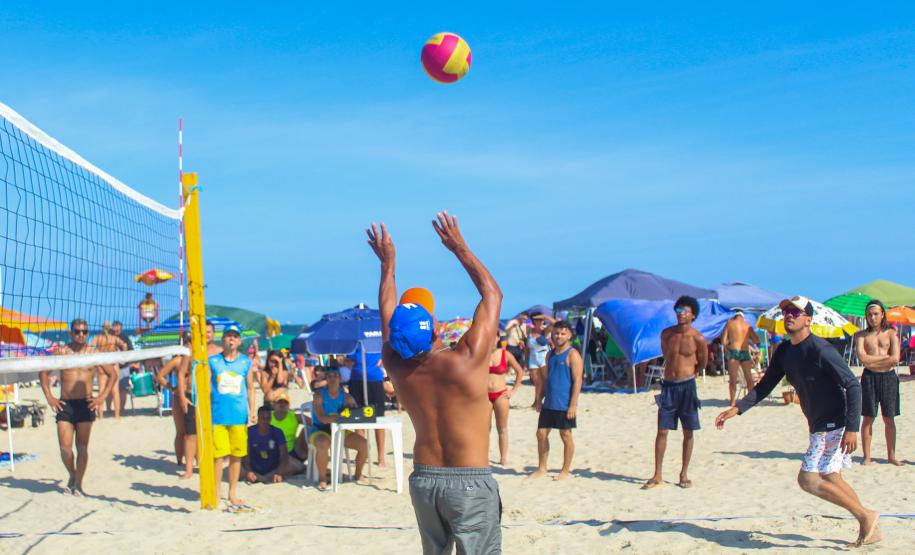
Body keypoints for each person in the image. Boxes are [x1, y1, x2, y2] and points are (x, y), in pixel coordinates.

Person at [367, 212, 503, 554]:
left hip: (425, 479)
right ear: (436, 329)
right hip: (469, 480)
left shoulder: (396, 365)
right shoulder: (465, 361)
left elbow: (387, 313)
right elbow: (492, 295)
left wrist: (387, 265)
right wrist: (459, 248)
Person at [716, 296, 881, 547]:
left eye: (795, 312)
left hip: (833, 421)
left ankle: (866, 516)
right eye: (786, 312)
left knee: (808, 480)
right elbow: (765, 386)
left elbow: (852, 384)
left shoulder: (820, 349)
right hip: (817, 421)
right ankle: (869, 524)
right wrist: (737, 409)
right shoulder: (784, 351)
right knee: (831, 476)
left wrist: (852, 428)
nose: (789, 316)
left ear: (808, 319)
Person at [39, 319, 118, 495]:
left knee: (82, 447)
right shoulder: (62, 351)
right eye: (77, 331)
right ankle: (73, 475)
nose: (81, 334)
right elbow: (43, 372)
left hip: (85, 403)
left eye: (84, 331)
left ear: (88, 333)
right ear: (71, 333)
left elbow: (112, 374)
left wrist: (101, 398)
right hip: (65, 404)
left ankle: (78, 483)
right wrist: (50, 397)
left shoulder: (93, 353)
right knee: (65, 448)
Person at [643, 296, 707, 490]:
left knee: (688, 431)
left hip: (687, 387)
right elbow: (666, 355)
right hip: (669, 386)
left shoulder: (698, 338)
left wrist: (692, 372)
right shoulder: (667, 334)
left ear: (693, 315)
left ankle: (683, 474)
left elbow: (703, 361)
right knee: (662, 431)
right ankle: (657, 474)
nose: (681, 314)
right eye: (678, 311)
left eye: (685, 311)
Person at [209, 324, 256, 507]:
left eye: (235, 336)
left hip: (239, 415)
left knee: (237, 455)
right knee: (218, 456)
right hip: (218, 415)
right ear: (223, 339)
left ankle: (232, 493)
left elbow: (251, 388)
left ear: (239, 341)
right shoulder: (213, 361)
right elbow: (204, 387)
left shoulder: (245, 362)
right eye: (228, 335)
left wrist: (252, 410)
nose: (231, 339)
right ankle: (216, 493)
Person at [530, 320, 583, 480]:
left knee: (565, 435)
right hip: (549, 402)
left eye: (562, 333)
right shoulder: (550, 354)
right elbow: (547, 379)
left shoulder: (573, 355)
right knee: (541, 434)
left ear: (569, 335)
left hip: (564, 404)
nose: (559, 336)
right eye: (556, 333)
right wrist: (539, 398)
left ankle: (565, 471)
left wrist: (573, 405)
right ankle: (542, 468)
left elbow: (578, 381)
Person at [854, 299, 901, 466]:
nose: (872, 317)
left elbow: (895, 359)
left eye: (875, 314)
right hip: (869, 378)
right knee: (868, 418)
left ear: (882, 315)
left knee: (889, 418)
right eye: (869, 314)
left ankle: (891, 456)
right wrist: (885, 358)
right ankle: (867, 457)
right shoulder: (861, 335)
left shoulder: (891, 333)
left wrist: (872, 360)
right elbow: (862, 358)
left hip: (888, 378)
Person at [308, 366, 367, 491]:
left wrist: (354, 411)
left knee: (364, 444)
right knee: (323, 443)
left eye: (335, 376)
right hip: (321, 429)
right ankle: (322, 479)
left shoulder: (346, 397)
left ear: (340, 378)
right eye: (330, 376)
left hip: (340, 430)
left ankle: (357, 475)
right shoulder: (319, 395)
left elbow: (357, 414)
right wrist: (341, 417)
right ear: (326, 379)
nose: (333, 379)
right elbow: (322, 418)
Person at [349, 341, 389, 467]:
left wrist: (383, 360)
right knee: (358, 417)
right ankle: (363, 452)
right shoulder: (355, 339)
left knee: (379, 418)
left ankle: (381, 456)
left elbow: (389, 351)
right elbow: (349, 360)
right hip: (357, 379)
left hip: (373, 378)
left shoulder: (377, 337)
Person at [488, 334, 524, 465]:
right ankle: (483, 456)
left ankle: (503, 457)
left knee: (502, 428)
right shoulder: (482, 354)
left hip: (501, 394)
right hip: (484, 395)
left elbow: (520, 371)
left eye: (494, 337)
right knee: (485, 428)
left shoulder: (505, 354)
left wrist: (513, 390)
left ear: (498, 338)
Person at [156, 333, 192, 467]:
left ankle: (193, 460)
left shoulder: (198, 358)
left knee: (193, 433)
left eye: (191, 341)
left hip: (193, 396)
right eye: (187, 341)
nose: (189, 344)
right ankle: (179, 461)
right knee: (181, 432)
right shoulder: (177, 360)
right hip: (178, 396)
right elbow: (160, 376)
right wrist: (171, 388)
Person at [88, 321, 128, 420]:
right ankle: (117, 416)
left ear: (102, 328)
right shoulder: (114, 338)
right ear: (110, 328)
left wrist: (96, 354)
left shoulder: (98, 337)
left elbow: (89, 348)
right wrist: (122, 355)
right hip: (113, 364)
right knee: (115, 391)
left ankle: (101, 416)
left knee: (101, 391)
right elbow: (125, 345)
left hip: (102, 364)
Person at [721, 311, 761, 407]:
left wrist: (730, 346)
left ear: (735, 316)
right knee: (749, 379)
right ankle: (751, 401)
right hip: (745, 352)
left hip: (735, 352)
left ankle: (733, 402)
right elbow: (757, 340)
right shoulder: (747, 325)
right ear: (743, 317)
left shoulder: (729, 323)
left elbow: (723, 341)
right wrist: (747, 340)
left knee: (733, 379)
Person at [244, 405, 290, 484]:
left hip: (273, 467)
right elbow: (245, 454)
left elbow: (284, 454)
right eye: (263, 418)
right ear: (258, 418)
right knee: (236, 468)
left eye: (268, 419)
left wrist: (279, 472)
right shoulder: (249, 432)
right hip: (254, 466)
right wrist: (249, 471)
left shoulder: (278, 432)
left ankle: (262, 478)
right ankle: (261, 477)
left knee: (298, 466)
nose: (265, 421)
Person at [174, 333, 198, 480]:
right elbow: (180, 375)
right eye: (188, 340)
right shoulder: (188, 354)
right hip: (191, 396)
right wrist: (182, 397)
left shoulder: (212, 352)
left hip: (207, 397)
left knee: (203, 434)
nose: (189, 342)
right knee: (189, 434)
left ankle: (201, 463)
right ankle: (188, 469)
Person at [270, 392, 307, 475]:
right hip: (273, 453)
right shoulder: (267, 417)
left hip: (293, 452)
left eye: (285, 402)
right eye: (280, 402)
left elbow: (314, 422)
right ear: (274, 404)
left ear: (289, 406)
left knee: (307, 430)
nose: (282, 404)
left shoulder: (295, 416)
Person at [527, 312, 555, 409]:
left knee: (546, 380)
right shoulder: (529, 331)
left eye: (540, 319)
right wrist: (526, 362)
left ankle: (540, 401)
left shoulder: (545, 331)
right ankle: (537, 400)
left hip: (544, 357)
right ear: (533, 321)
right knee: (537, 382)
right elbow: (527, 348)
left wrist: (545, 316)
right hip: (533, 358)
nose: (539, 321)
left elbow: (556, 324)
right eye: (536, 319)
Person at [110, 320, 135, 418]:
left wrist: (130, 361)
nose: (116, 329)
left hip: (123, 367)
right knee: (111, 389)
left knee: (123, 389)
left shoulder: (125, 337)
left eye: (118, 327)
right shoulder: (109, 337)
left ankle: (122, 409)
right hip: (111, 367)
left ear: (121, 328)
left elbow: (131, 350)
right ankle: (109, 409)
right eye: (115, 327)